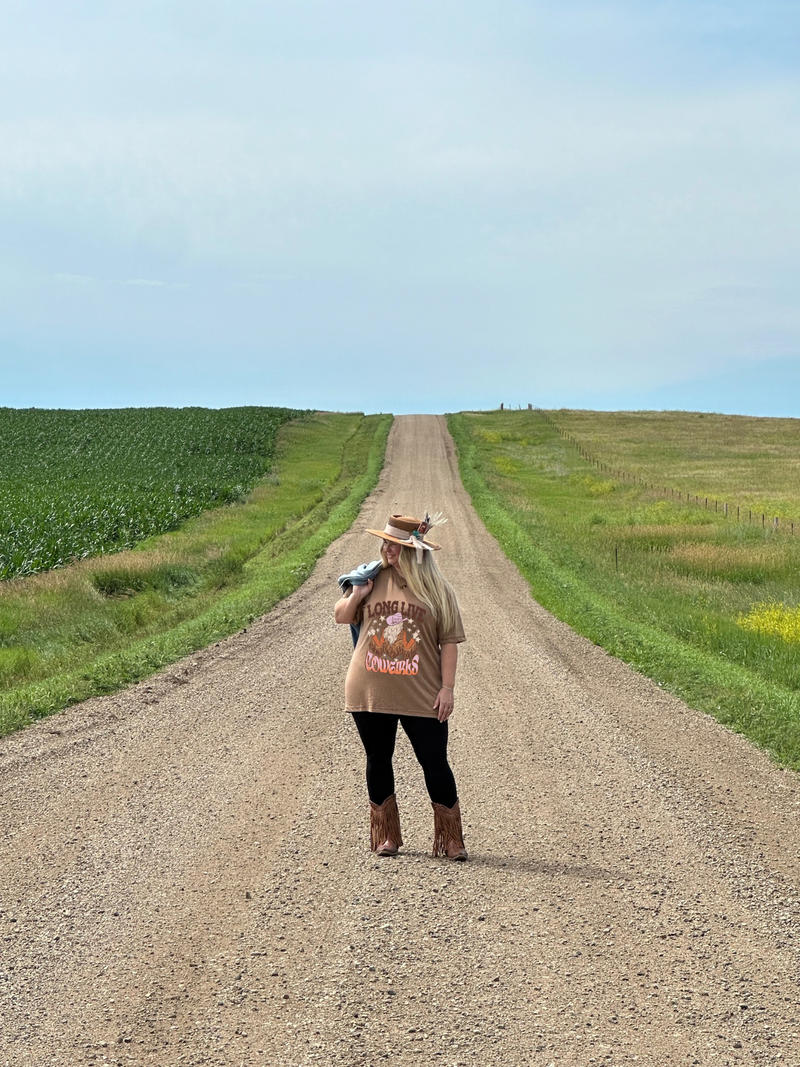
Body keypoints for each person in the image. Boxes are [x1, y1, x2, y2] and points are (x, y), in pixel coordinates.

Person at [334, 512, 468, 861]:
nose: (386, 549)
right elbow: (342, 616)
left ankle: (452, 839)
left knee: (435, 761)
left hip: (422, 692)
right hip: (370, 688)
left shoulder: (439, 590)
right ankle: (386, 836)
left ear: (413, 550)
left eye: (394, 546)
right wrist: (358, 593)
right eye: (385, 543)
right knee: (378, 758)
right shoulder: (371, 578)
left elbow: (449, 642)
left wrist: (447, 688)